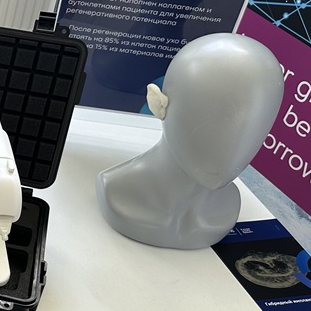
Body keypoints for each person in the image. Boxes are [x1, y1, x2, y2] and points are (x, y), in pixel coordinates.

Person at [96, 33, 284, 249]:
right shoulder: (114, 187)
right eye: (207, 116)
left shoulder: (228, 203)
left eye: (254, 123)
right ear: (157, 104)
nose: (230, 146)